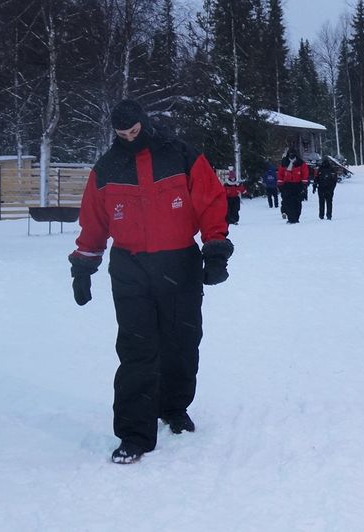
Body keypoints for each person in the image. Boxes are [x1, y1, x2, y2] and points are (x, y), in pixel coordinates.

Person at [69, 99, 231, 465]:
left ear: (144, 123)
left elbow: (210, 201)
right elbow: (94, 221)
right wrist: (83, 266)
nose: (129, 138)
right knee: (136, 350)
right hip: (130, 268)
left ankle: (174, 407)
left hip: (179, 262)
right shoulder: (107, 168)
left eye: (134, 131)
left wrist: (216, 249)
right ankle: (134, 434)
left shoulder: (182, 155)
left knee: (181, 342)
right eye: (122, 134)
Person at [278, 149, 309, 223]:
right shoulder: (284, 163)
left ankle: (296, 218)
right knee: (288, 203)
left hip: (298, 185)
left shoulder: (301, 163)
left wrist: (304, 185)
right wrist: (280, 185)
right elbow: (280, 174)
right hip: (287, 185)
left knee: (297, 202)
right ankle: (291, 218)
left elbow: (305, 174)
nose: (291, 155)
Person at [314, 156, 340, 220]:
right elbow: (316, 178)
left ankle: (325, 215)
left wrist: (315, 185)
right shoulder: (326, 169)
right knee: (326, 202)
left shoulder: (325, 169)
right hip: (324, 188)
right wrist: (315, 186)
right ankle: (325, 215)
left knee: (324, 202)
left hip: (325, 188)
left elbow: (334, 180)